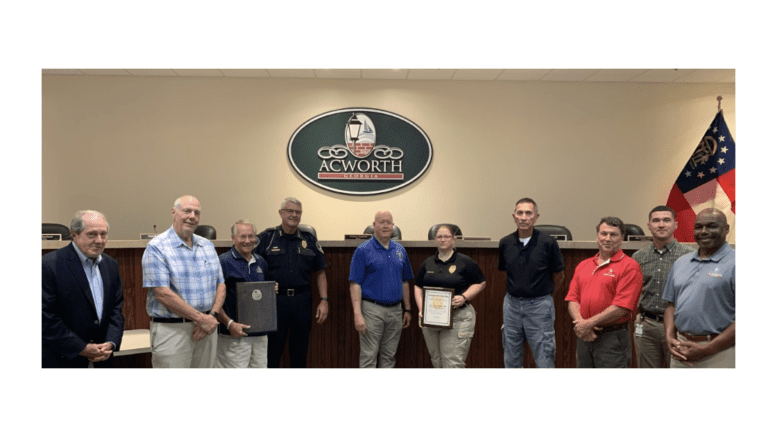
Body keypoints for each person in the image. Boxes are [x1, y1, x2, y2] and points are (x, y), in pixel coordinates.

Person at [142, 195, 226, 368]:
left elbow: (221, 284)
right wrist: (200, 318)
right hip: (173, 331)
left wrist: (211, 317)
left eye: (197, 212)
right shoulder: (157, 247)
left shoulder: (207, 246)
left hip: (208, 329)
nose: (192, 216)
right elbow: (163, 294)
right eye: (187, 211)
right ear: (174, 213)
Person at [42, 210, 124, 368]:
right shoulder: (50, 265)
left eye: (103, 234)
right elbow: (46, 316)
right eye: (92, 234)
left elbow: (116, 308)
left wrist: (111, 342)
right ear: (74, 235)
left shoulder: (110, 265)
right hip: (63, 359)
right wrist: (81, 348)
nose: (99, 240)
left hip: (103, 357)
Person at [255, 197, 328, 368]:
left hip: (301, 300)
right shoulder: (267, 238)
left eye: (298, 212)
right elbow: (253, 267)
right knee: (272, 351)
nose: (294, 215)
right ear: (281, 213)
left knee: (300, 351)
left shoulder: (309, 239)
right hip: (274, 301)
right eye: (290, 211)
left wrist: (324, 301)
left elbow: (320, 271)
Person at [565, 216, 642, 368]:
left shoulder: (630, 267)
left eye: (613, 235)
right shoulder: (584, 265)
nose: (607, 238)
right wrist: (582, 325)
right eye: (603, 234)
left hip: (612, 338)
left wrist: (588, 324)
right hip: (584, 337)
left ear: (622, 239)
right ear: (597, 236)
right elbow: (572, 299)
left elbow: (622, 307)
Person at [663, 208, 735, 368]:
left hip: (720, 352)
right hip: (680, 349)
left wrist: (708, 349)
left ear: (726, 229)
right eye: (699, 227)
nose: (704, 231)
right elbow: (670, 305)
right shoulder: (681, 262)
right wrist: (669, 336)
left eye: (711, 226)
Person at [498, 198, 565, 368]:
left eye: (528, 213)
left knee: (544, 358)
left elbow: (559, 276)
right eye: (519, 213)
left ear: (536, 217)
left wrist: (543, 295)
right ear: (514, 216)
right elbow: (504, 274)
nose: (523, 217)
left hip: (539, 307)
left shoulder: (548, 243)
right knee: (511, 359)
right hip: (511, 306)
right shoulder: (505, 243)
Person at [414, 225, 486, 368]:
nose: (443, 240)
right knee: (436, 360)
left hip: (458, 317)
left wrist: (464, 297)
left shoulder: (465, 261)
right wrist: (422, 309)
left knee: (452, 363)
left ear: (454, 239)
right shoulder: (428, 263)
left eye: (446, 236)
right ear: (435, 240)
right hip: (431, 319)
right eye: (439, 237)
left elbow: (480, 283)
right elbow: (418, 286)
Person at [631, 205, 694, 368]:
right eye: (656, 220)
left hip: (679, 327)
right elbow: (634, 291)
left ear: (675, 225)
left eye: (666, 220)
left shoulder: (689, 256)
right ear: (649, 226)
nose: (661, 224)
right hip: (647, 326)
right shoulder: (638, 257)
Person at [349, 210, 413, 368]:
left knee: (389, 356)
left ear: (393, 226)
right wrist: (357, 314)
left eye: (389, 222)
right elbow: (354, 284)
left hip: (396, 311)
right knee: (369, 356)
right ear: (374, 225)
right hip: (372, 311)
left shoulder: (400, 250)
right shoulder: (363, 250)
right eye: (381, 222)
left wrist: (408, 309)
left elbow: (405, 281)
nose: (385, 225)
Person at [216, 220, 271, 368]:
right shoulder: (223, 262)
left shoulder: (261, 262)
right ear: (233, 238)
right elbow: (214, 301)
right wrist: (229, 324)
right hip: (233, 335)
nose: (247, 241)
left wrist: (271, 290)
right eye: (242, 237)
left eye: (251, 236)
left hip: (259, 335)